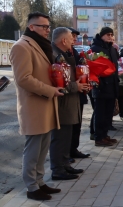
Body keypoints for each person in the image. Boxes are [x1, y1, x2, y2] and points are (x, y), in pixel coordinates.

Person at [10, 12, 65, 200]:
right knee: (33, 149)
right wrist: (50, 90)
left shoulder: (40, 45)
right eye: (43, 27)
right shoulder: (21, 47)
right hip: (34, 105)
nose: (47, 30)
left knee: (43, 148)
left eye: (48, 27)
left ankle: (40, 181)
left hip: (46, 104)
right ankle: (32, 187)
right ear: (31, 27)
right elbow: (23, 79)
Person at [50, 27, 87, 180]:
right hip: (62, 102)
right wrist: (75, 86)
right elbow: (56, 81)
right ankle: (58, 169)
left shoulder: (65, 53)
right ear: (64, 40)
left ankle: (65, 165)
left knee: (67, 136)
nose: (74, 41)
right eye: (71, 39)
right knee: (60, 137)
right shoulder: (53, 55)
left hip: (70, 101)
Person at [90, 27, 119, 146]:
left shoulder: (112, 49)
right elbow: (92, 69)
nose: (110, 37)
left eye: (112, 35)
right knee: (100, 114)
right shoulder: (95, 49)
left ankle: (105, 135)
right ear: (101, 35)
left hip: (112, 86)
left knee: (108, 114)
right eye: (108, 34)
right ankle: (98, 137)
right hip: (101, 88)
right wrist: (99, 84)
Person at [67, 28, 90, 160]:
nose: (75, 39)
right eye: (73, 36)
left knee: (77, 124)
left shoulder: (75, 52)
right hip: (70, 93)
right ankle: (67, 152)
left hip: (79, 92)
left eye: (76, 37)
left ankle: (74, 149)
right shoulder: (61, 53)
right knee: (68, 127)